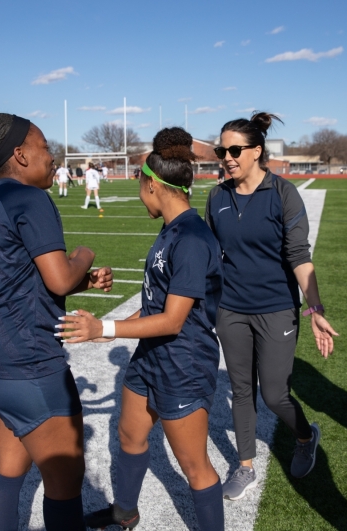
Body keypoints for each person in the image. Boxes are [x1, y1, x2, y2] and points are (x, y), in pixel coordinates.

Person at [0, 100, 113, 531]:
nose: (52, 155)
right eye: (44, 146)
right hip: (25, 356)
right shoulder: (30, 198)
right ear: (21, 155)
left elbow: (23, 277)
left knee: (6, 472)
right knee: (65, 485)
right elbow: (59, 279)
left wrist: (82, 280)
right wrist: (84, 256)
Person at [60, 127, 225, 531]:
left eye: (139, 185)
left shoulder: (191, 238)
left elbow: (173, 320)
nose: (139, 195)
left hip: (183, 364)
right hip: (151, 357)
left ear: (151, 185)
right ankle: (125, 512)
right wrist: (101, 332)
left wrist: (108, 327)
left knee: (194, 466)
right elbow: (153, 307)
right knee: (130, 436)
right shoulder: (170, 230)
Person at [205, 112, 338, 501]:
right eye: (221, 150)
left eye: (234, 149)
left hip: (276, 308)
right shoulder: (217, 196)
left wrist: (314, 311)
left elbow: (299, 255)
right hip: (231, 310)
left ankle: (303, 435)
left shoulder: (282, 193)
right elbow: (212, 255)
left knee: (275, 395)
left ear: (256, 151)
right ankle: (244, 466)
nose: (226, 157)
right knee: (241, 389)